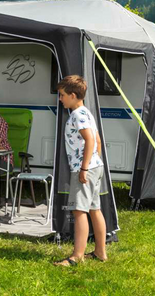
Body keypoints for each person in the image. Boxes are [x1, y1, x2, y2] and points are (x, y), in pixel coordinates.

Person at [54, 75, 107, 266]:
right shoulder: (86, 112)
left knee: (79, 211)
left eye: (62, 95)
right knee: (94, 209)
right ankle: (100, 252)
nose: (60, 99)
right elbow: (98, 140)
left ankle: (77, 256)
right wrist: (95, 161)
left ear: (73, 95)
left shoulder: (77, 115)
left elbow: (90, 140)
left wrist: (84, 167)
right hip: (95, 166)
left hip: (83, 169)